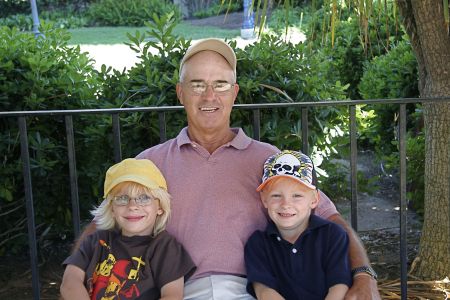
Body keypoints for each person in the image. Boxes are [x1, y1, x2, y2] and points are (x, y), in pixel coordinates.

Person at [77, 38, 380, 299]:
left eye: (219, 84)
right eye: (197, 85)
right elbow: (103, 221)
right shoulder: (150, 163)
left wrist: (364, 275)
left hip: (256, 290)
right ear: (180, 92)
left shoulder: (270, 161)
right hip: (176, 290)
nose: (209, 96)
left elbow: (329, 218)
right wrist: (75, 276)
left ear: (234, 92)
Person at [61, 158, 196, 299]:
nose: (132, 206)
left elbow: (172, 296)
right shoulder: (96, 241)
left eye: (144, 198)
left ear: (160, 207)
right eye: (122, 198)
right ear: (112, 208)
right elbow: (70, 282)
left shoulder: (165, 248)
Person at [245, 150, 352, 300]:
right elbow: (264, 291)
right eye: (276, 195)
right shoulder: (257, 244)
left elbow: (339, 285)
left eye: (297, 196)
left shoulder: (333, 235)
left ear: (314, 199)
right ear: (264, 199)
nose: (286, 204)